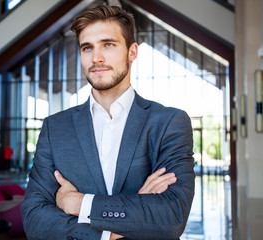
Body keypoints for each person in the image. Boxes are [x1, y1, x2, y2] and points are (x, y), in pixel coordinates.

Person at [21, 5, 195, 240]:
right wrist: (112, 232)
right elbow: (34, 218)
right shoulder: (55, 128)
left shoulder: (169, 123)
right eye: (87, 48)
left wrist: (81, 204)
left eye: (108, 44)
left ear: (132, 52)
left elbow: (171, 217)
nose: (97, 58)